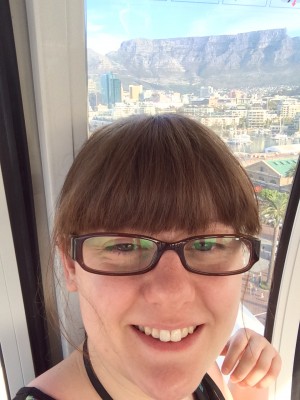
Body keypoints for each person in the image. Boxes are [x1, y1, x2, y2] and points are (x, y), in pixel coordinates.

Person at [14, 114, 281, 400]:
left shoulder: (211, 373)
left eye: (205, 245)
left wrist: (247, 391)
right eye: (124, 247)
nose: (171, 293)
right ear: (70, 264)